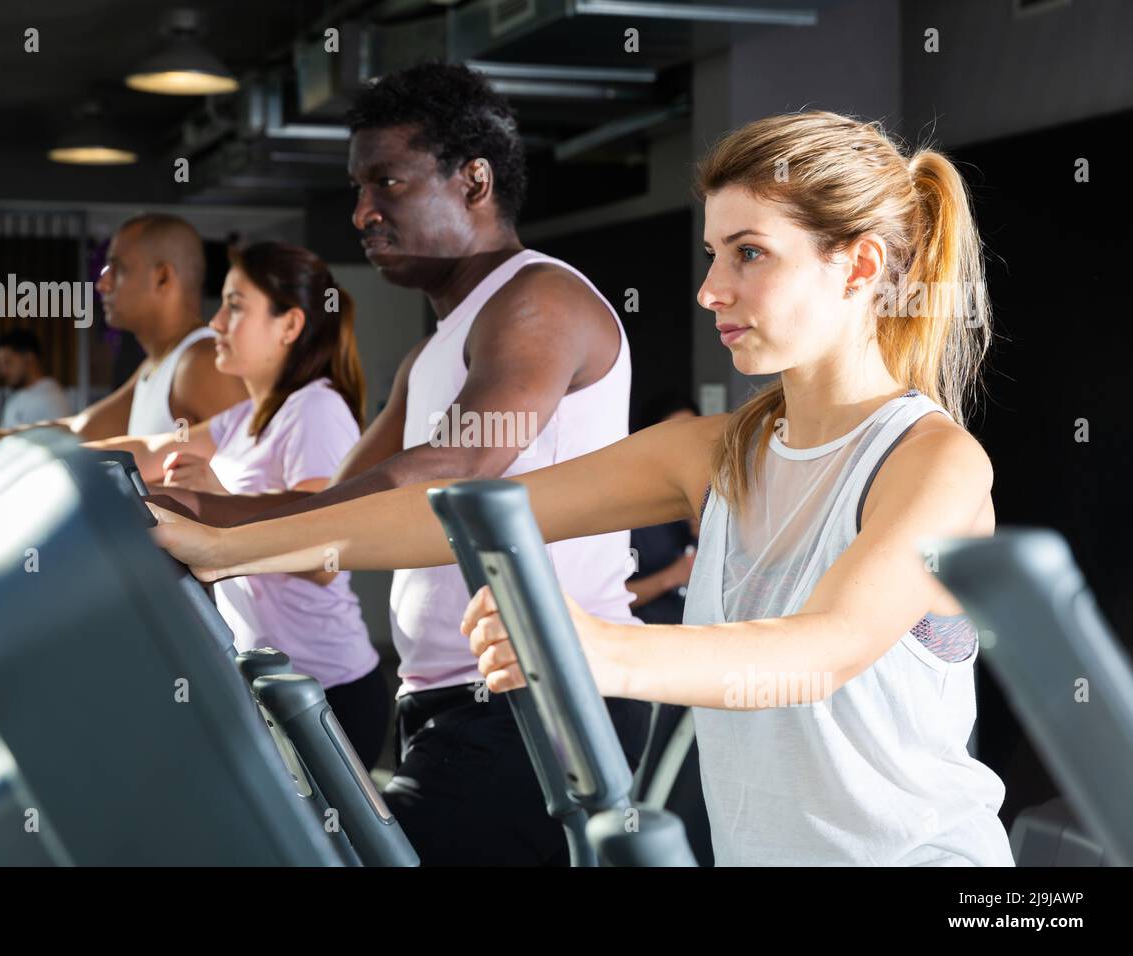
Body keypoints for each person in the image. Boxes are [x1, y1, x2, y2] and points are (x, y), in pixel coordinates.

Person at [150, 110, 1015, 867]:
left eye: (751, 253)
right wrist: (226, 549)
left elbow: (818, 653)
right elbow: (454, 515)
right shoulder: (715, 452)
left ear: (860, 267)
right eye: (714, 252)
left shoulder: (934, 461)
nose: (712, 288)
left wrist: (598, 650)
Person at [149, 62, 650, 867]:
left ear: (474, 182)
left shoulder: (540, 300)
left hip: (538, 701)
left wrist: (216, 524)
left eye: (387, 182)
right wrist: (201, 507)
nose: (362, 212)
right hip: (441, 699)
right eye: (357, 188)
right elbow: (337, 510)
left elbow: (448, 469)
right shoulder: (430, 355)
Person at [87, 241, 387, 769]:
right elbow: (151, 450)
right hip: (269, 684)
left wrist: (216, 501)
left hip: (326, 692)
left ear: (288, 325)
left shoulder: (314, 410)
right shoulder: (246, 416)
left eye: (235, 306)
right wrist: (28, 456)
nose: (216, 323)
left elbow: (322, 554)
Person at [0, 213, 245, 468]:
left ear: (162, 277)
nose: (103, 284)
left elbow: (244, 483)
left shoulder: (201, 361)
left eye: (118, 269)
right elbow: (80, 430)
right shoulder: (157, 365)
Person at [625, 393, 701, 625]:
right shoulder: (627, 511)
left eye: (693, 433)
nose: (686, 445)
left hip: (707, 638)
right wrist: (671, 577)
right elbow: (602, 600)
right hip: (649, 637)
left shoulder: (708, 492)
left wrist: (705, 535)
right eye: (675, 435)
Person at [0, 329, 73, 427]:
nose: (2, 372)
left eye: (7, 362)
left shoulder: (52, 400)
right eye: (0, 365)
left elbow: (60, 441)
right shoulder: (15, 398)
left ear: (29, 358)